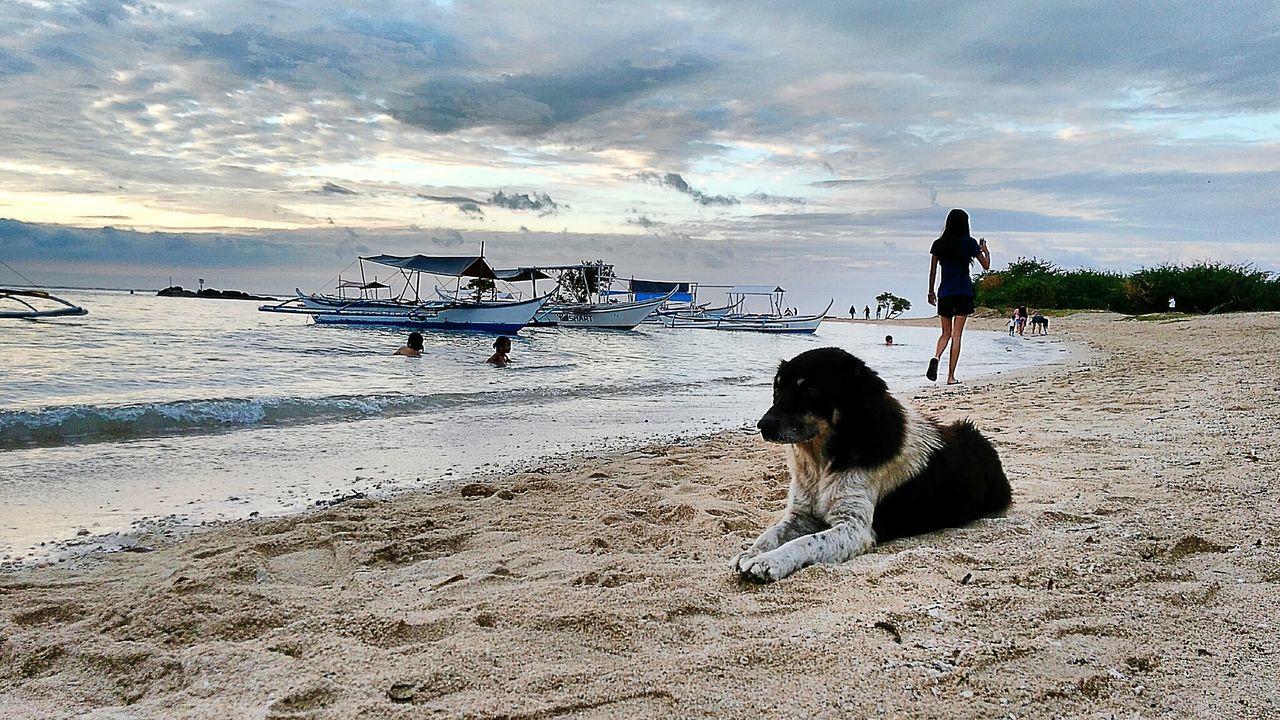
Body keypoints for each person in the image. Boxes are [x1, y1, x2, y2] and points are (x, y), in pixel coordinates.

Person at [926, 209, 991, 384]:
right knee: (957, 335)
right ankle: (950, 376)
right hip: (963, 292)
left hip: (945, 292)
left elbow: (933, 271)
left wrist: (930, 292)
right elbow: (985, 266)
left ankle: (936, 357)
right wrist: (985, 250)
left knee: (945, 333)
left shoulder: (938, 243)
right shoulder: (969, 243)